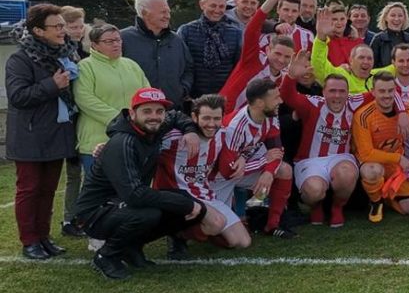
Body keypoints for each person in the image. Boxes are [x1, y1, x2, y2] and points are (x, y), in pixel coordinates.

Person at [73, 88, 203, 280]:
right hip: (94, 213)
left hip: (122, 202)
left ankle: (130, 247)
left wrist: (191, 130)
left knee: (190, 204)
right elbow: (134, 195)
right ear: (132, 114)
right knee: (152, 212)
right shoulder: (123, 142)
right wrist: (184, 204)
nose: (154, 117)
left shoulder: (152, 128)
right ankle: (106, 256)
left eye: (159, 111)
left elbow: (175, 115)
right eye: (147, 111)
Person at [6, 4, 79, 260]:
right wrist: (52, 84)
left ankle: (44, 237)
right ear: (38, 30)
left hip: (57, 132)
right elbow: (17, 96)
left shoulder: (64, 55)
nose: (63, 30)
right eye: (57, 26)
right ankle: (30, 241)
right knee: (29, 189)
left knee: (48, 190)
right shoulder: (20, 59)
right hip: (30, 135)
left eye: (63, 25)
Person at [277, 52, 369, 228]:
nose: (337, 96)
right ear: (323, 92)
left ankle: (337, 207)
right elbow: (287, 96)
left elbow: (381, 93)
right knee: (314, 191)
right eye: (332, 91)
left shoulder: (354, 102)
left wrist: (402, 113)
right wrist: (290, 76)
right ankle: (316, 206)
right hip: (310, 160)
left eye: (342, 91)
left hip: (341, 158)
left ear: (348, 93)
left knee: (347, 175)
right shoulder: (313, 103)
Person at [154, 94, 250, 252]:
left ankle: (196, 230)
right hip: (176, 198)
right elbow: (142, 143)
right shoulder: (173, 138)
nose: (211, 124)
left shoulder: (223, 135)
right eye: (206, 118)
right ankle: (177, 235)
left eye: (216, 118)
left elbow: (248, 145)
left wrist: (243, 157)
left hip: (204, 195)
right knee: (217, 223)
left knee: (241, 242)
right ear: (194, 116)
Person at [217, 78, 296, 238]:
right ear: (260, 103)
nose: (280, 101)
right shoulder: (236, 127)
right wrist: (262, 162)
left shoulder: (271, 115)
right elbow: (227, 171)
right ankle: (242, 214)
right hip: (219, 178)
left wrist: (268, 172)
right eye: (275, 98)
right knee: (223, 236)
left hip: (243, 168)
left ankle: (271, 224)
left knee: (284, 170)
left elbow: (277, 149)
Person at [352, 73, 409, 220]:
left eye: (390, 91)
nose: (386, 95)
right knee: (373, 170)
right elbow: (366, 153)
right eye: (381, 91)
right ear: (373, 92)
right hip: (373, 163)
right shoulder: (363, 115)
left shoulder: (407, 112)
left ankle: (386, 198)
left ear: (396, 91)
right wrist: (399, 158)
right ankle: (376, 202)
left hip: (395, 167)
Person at [75, 25, 149, 175]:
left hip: (131, 140)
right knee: (98, 193)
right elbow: (85, 99)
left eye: (117, 40)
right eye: (109, 41)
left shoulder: (132, 65)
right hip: (96, 142)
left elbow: (146, 94)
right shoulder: (85, 67)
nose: (116, 44)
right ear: (95, 45)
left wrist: (142, 118)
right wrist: (121, 119)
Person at [217, 0, 296, 112]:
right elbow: (251, 31)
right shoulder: (254, 59)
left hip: (247, 125)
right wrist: (270, 1)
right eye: (277, 53)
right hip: (222, 116)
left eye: (287, 57)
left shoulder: (281, 79)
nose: (281, 60)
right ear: (268, 48)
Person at [120, 0, 194, 110]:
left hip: (173, 110)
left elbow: (189, 68)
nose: (168, 16)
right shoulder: (122, 39)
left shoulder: (177, 40)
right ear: (145, 13)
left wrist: (182, 89)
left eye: (168, 12)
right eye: (163, 12)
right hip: (135, 113)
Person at [178, 0, 243, 98]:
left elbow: (238, 67)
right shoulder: (186, 31)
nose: (217, 10)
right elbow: (181, 66)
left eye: (221, 6)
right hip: (193, 96)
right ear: (202, 5)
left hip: (225, 96)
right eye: (213, 6)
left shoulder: (236, 33)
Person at [58, 6, 88, 238]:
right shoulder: (60, 52)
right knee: (74, 172)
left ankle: (82, 214)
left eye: (81, 26)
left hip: (81, 117)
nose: (78, 30)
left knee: (83, 171)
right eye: (73, 26)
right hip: (68, 118)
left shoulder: (79, 49)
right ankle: (69, 218)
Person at [370, 2, 409, 68]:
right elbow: (371, 65)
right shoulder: (378, 39)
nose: (396, 19)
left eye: (400, 16)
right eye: (393, 15)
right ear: (386, 18)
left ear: (404, 18)